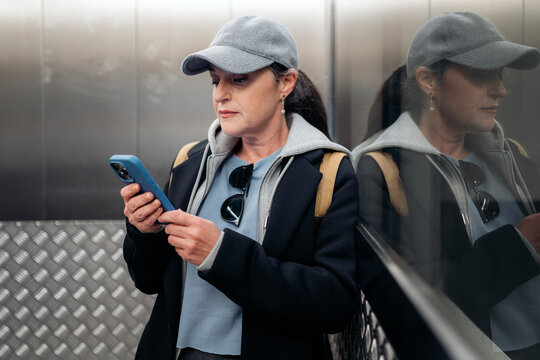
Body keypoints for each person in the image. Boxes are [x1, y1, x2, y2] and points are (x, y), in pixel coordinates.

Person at [119, 15, 359, 360]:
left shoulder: (329, 171)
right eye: (215, 81)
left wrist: (221, 254)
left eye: (240, 79)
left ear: (285, 83)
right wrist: (145, 232)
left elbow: (334, 304)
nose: (221, 95)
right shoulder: (189, 161)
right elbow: (149, 280)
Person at [352, 11, 540, 359]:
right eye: (482, 73)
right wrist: (521, 244)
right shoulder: (382, 169)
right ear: (428, 80)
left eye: (499, 74)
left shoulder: (511, 155)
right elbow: (404, 301)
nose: (500, 88)